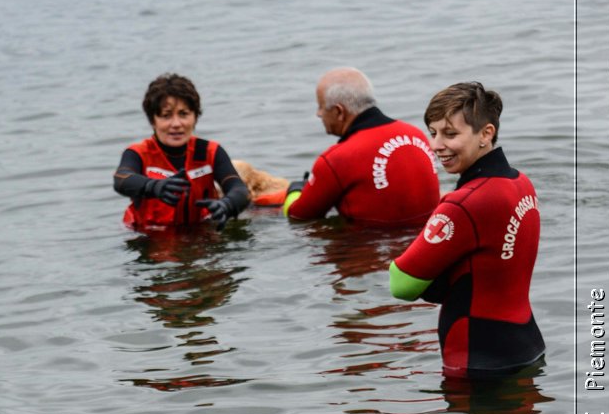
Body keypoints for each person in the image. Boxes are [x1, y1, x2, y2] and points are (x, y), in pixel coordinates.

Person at [389, 82, 545, 380]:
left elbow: (401, 285)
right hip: (525, 344)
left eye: (450, 134)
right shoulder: (520, 182)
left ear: (486, 134)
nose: (436, 145)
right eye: (432, 133)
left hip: (478, 359)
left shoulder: (464, 203)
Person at [283, 68, 440, 225]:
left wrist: (295, 189)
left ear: (339, 111)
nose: (318, 114)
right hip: (427, 239)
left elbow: (297, 217)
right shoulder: (416, 133)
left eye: (321, 106)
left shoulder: (335, 160)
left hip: (370, 246)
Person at [114, 74, 249, 232]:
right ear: (153, 120)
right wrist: (153, 186)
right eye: (166, 116)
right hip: (149, 238)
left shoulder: (210, 152)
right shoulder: (138, 153)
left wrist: (227, 205)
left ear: (195, 117)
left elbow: (240, 190)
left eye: (183, 114)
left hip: (202, 234)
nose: (176, 124)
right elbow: (122, 180)